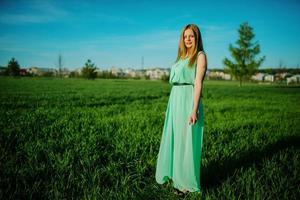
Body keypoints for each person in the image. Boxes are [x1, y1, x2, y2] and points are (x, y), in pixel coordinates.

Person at [155, 24, 207, 196]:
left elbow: (198, 83)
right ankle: (175, 174)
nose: (188, 39)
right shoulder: (181, 56)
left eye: (191, 36)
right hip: (175, 99)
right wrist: (170, 108)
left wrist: (194, 110)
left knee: (186, 142)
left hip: (188, 99)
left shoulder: (200, 56)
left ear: (197, 37)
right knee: (175, 138)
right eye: (185, 37)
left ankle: (185, 183)